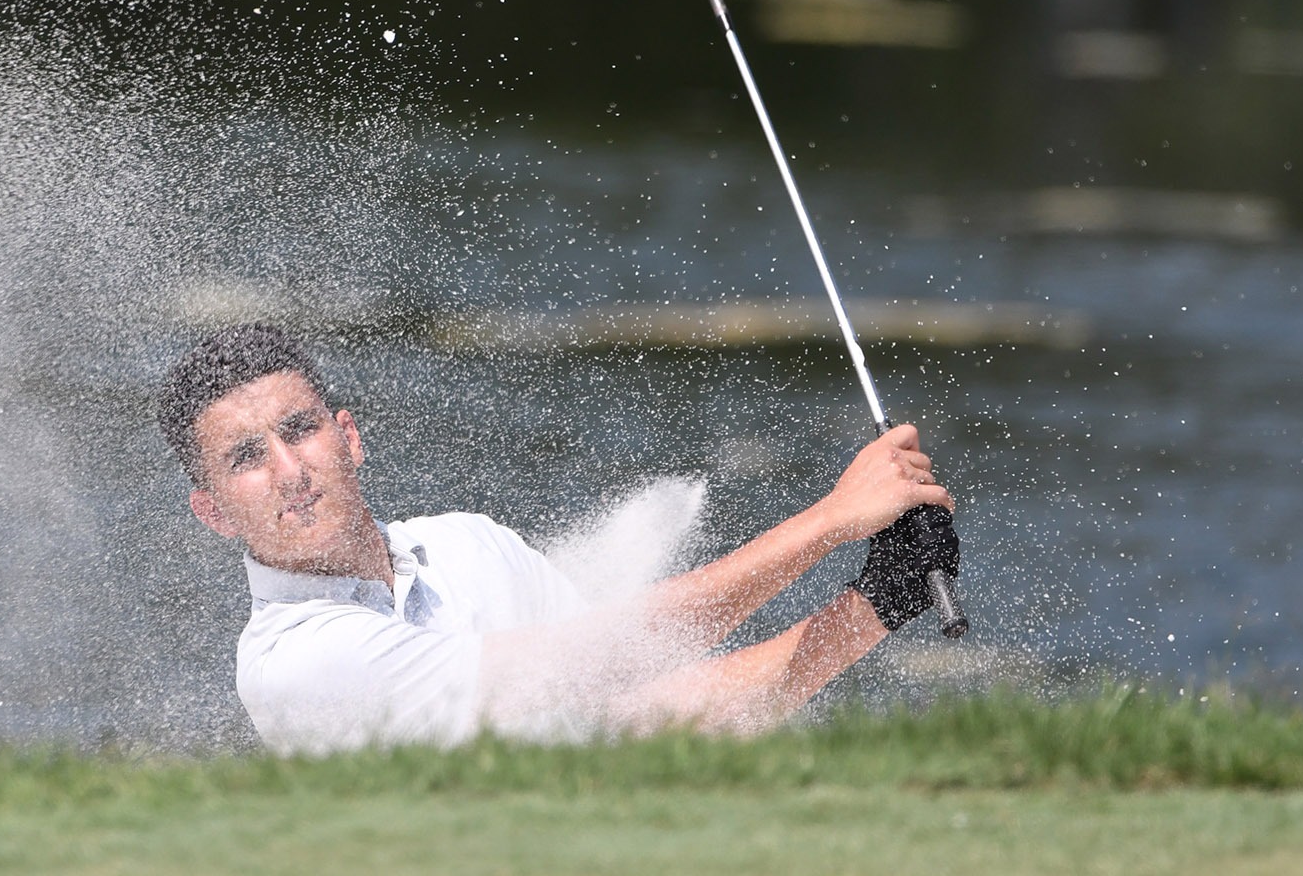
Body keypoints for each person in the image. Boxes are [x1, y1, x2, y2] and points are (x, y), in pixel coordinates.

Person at [157, 323, 958, 753]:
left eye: (300, 430)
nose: (290, 469)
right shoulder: (293, 663)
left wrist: (875, 603)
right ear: (215, 511)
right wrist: (829, 524)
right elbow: (593, 679)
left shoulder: (470, 543)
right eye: (246, 458)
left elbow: (644, 696)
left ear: (349, 437)